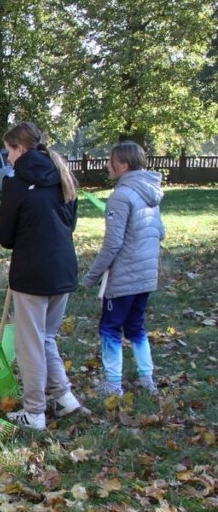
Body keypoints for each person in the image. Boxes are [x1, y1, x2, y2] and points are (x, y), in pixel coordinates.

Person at [0, 121, 84, 429]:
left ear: (20, 149)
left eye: (8, 151)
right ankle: (64, 396)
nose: (7, 159)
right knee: (45, 337)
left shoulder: (18, 183)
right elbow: (70, 223)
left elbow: (5, 235)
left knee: (30, 344)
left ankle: (34, 413)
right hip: (63, 269)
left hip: (33, 273)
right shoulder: (62, 176)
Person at [82, 141, 164, 396]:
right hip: (146, 276)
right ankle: (146, 379)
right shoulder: (149, 192)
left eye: (111, 161)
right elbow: (159, 232)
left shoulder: (121, 196)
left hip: (124, 278)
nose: (107, 165)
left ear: (124, 165)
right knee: (136, 327)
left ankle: (113, 384)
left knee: (110, 327)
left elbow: (113, 244)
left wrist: (91, 276)